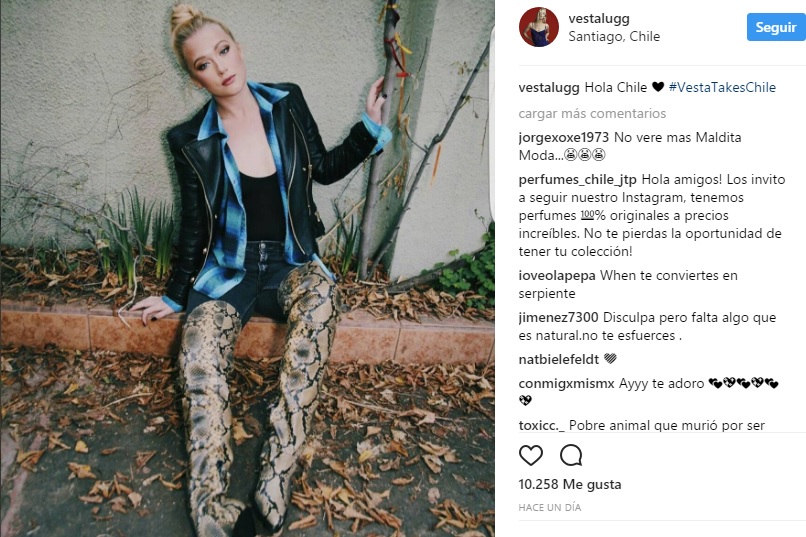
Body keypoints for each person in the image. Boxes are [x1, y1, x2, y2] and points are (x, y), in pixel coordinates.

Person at [131, 4, 390, 536]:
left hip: (292, 262)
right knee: (199, 360)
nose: (221, 67)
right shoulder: (189, 139)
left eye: (224, 51)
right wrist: (176, 294)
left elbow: (322, 168)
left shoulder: (286, 102)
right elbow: (193, 224)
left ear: (239, 49)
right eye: (204, 63)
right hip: (229, 272)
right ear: (195, 78)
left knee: (321, 304)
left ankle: (275, 478)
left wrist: (368, 129)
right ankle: (210, 510)